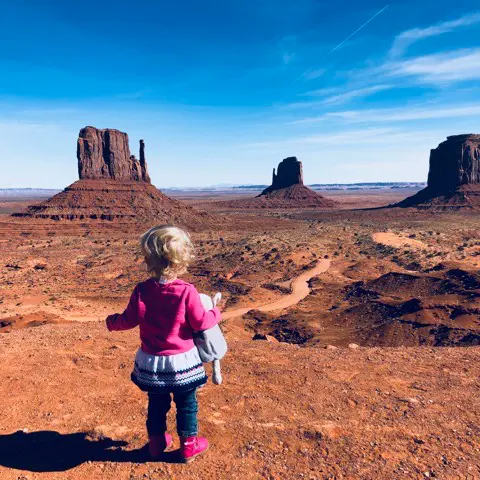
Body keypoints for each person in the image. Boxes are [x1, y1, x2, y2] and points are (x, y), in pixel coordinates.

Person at [106, 225, 221, 463]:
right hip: (182, 363)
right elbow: (200, 322)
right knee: (187, 404)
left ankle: (156, 443)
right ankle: (188, 446)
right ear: (182, 259)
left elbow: (128, 320)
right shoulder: (186, 291)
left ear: (149, 258)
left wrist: (112, 322)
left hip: (152, 362)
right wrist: (216, 313)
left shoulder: (142, 290)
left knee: (157, 403)